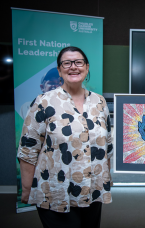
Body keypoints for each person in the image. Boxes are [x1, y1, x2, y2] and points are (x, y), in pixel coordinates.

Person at [17, 46, 113, 228]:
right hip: (56, 191)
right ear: (60, 69)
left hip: (92, 189)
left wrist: (107, 179)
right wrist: (27, 189)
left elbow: (106, 144)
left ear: (87, 67)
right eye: (66, 63)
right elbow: (28, 148)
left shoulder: (99, 102)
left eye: (78, 62)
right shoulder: (44, 101)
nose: (73, 67)